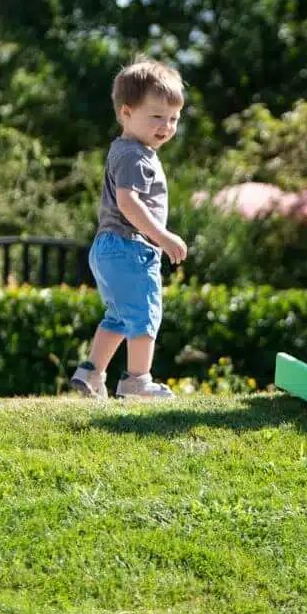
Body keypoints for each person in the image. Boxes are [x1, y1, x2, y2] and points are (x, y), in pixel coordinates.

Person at [69, 59, 188, 400]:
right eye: (156, 117)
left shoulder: (126, 150)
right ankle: (137, 382)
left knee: (119, 317)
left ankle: (91, 374)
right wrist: (163, 237)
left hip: (108, 247)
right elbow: (128, 202)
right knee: (146, 313)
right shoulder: (136, 156)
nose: (166, 126)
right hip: (129, 247)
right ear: (126, 113)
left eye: (173, 119)